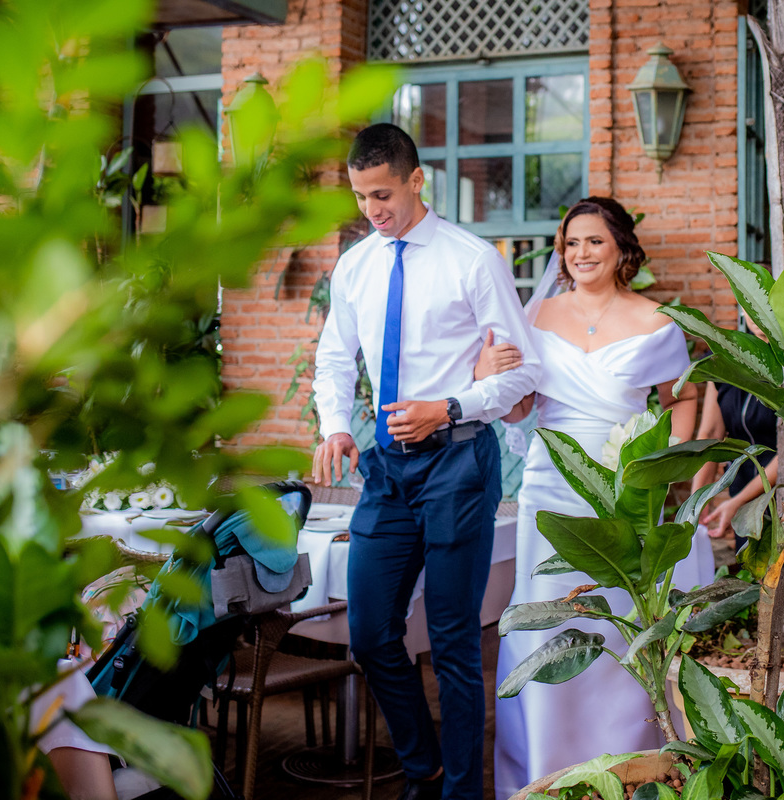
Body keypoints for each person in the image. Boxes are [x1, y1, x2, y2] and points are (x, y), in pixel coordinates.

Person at [310, 123, 541, 800]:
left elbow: (521, 373)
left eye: (382, 193)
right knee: (371, 631)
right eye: (360, 197)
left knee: (453, 641)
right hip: (386, 467)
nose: (372, 209)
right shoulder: (356, 265)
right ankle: (424, 765)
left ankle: (460, 792)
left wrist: (451, 405)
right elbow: (332, 357)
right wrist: (335, 426)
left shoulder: (473, 260)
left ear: (417, 181)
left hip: (460, 464)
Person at [476, 197, 711, 800]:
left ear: (622, 250)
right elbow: (521, 407)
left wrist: (665, 458)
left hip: (625, 490)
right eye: (572, 243)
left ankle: (626, 766)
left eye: (594, 242)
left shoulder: (657, 321)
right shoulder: (536, 317)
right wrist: (487, 375)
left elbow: (683, 397)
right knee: (547, 620)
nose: (581, 254)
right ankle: (547, 769)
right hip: (549, 486)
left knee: (619, 624)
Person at [690, 317, 779, 550]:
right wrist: (696, 504)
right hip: (744, 493)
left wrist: (740, 501)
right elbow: (711, 433)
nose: (758, 315)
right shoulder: (722, 359)